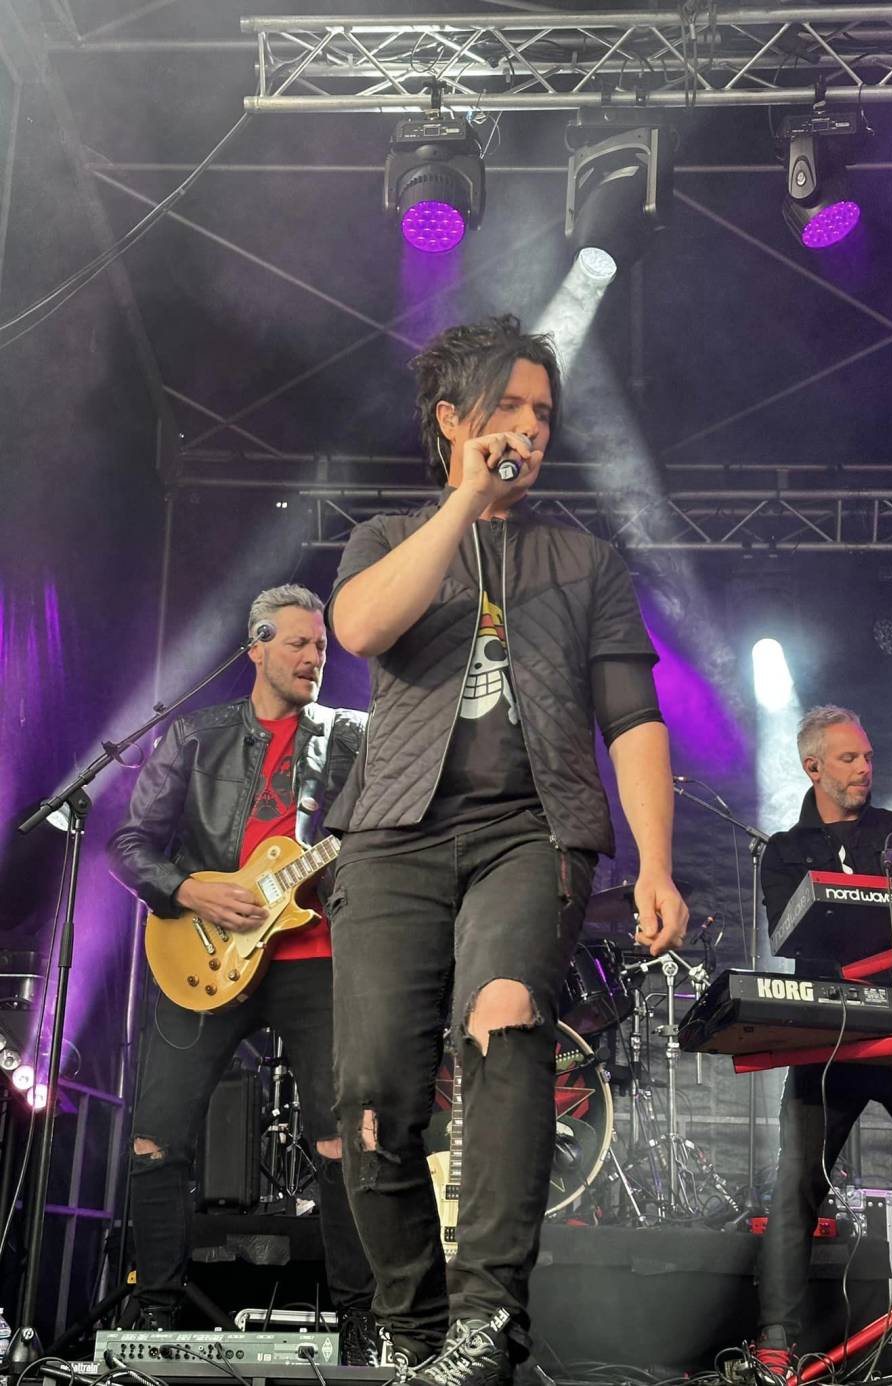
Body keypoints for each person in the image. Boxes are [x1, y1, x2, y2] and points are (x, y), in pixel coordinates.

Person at [325, 314, 689, 1386]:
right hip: (391, 833)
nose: (530, 428)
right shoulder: (387, 537)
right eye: (509, 408)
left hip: (533, 830)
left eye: (543, 413)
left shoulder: (583, 559)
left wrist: (654, 863)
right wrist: (462, 503)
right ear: (452, 419)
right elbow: (360, 629)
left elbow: (633, 719)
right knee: (372, 1094)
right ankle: (411, 1325)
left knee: (504, 1021)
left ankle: (485, 1324)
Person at [107, 584, 376, 1362]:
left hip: (316, 956)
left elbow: (396, 826)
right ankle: (155, 1318)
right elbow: (130, 846)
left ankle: (360, 1326)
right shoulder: (196, 735)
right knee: (156, 1141)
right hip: (201, 952)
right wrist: (189, 889)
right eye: (297, 643)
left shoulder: (354, 737)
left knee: (340, 1146)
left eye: (321, 646)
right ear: (255, 646)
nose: (314, 657)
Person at [753, 704, 892, 1380]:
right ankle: (777, 1342)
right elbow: (790, 934)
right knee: (796, 1187)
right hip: (831, 1038)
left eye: (869, 757)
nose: (865, 769)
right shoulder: (784, 851)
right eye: (849, 758)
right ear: (813, 766)